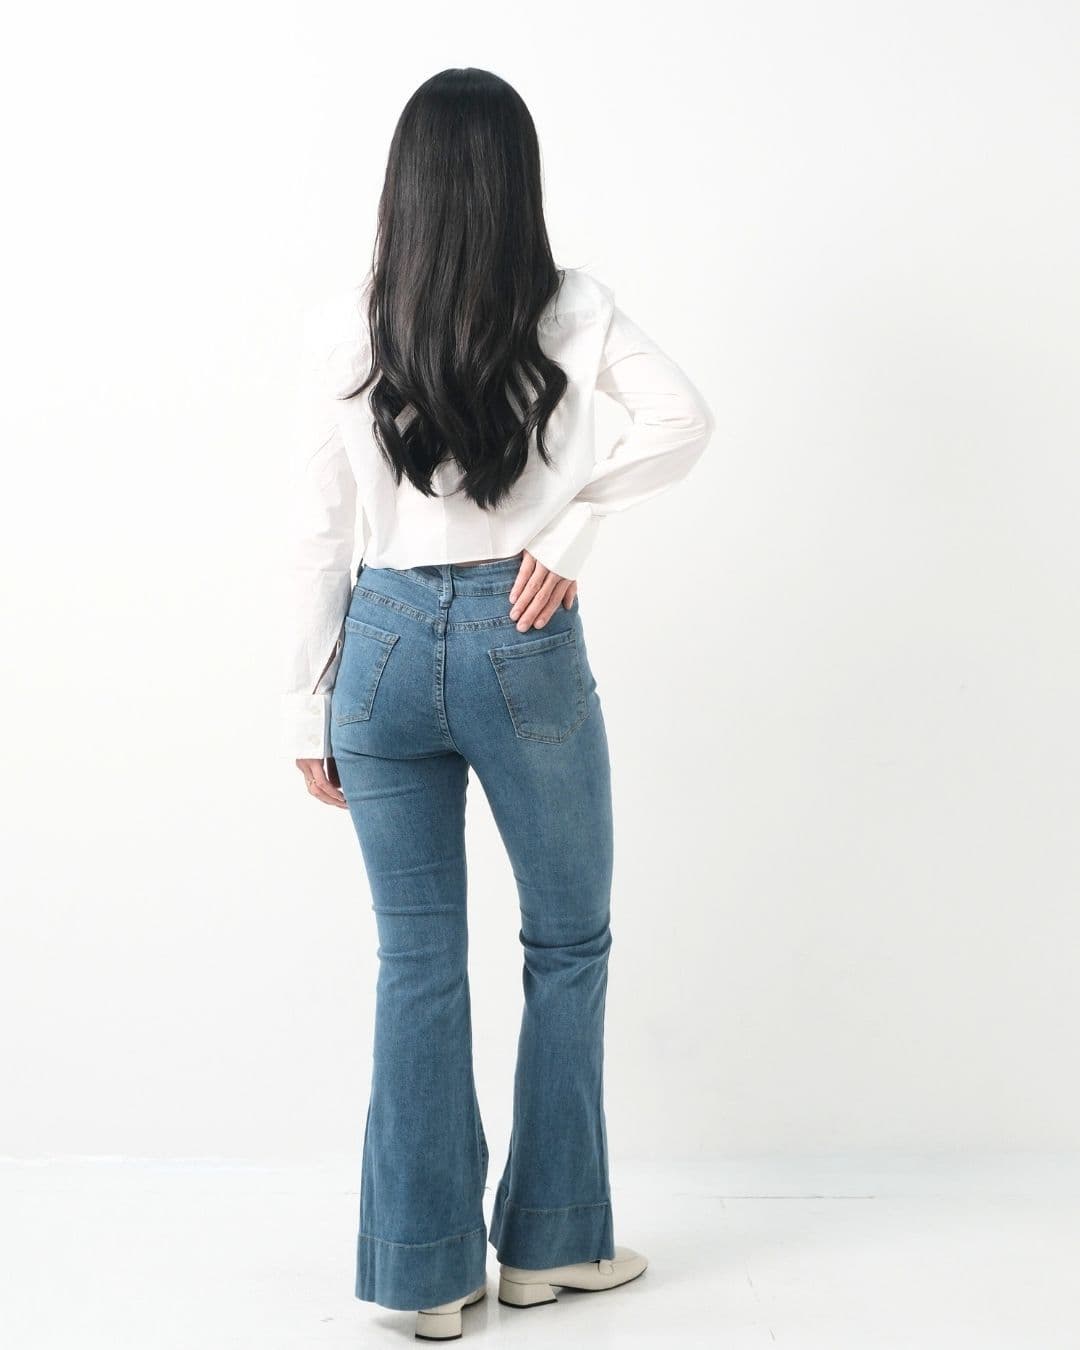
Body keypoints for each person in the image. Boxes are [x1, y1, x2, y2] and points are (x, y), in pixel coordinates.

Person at [281, 67, 714, 1341]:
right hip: (521, 638)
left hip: (377, 642)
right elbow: (684, 419)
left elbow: (318, 532)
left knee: (416, 961)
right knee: (566, 944)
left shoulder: (349, 323)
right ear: (517, 180)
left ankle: (425, 1277)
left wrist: (305, 706)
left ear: (405, 185)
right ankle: (551, 1247)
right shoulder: (570, 306)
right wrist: (570, 531)